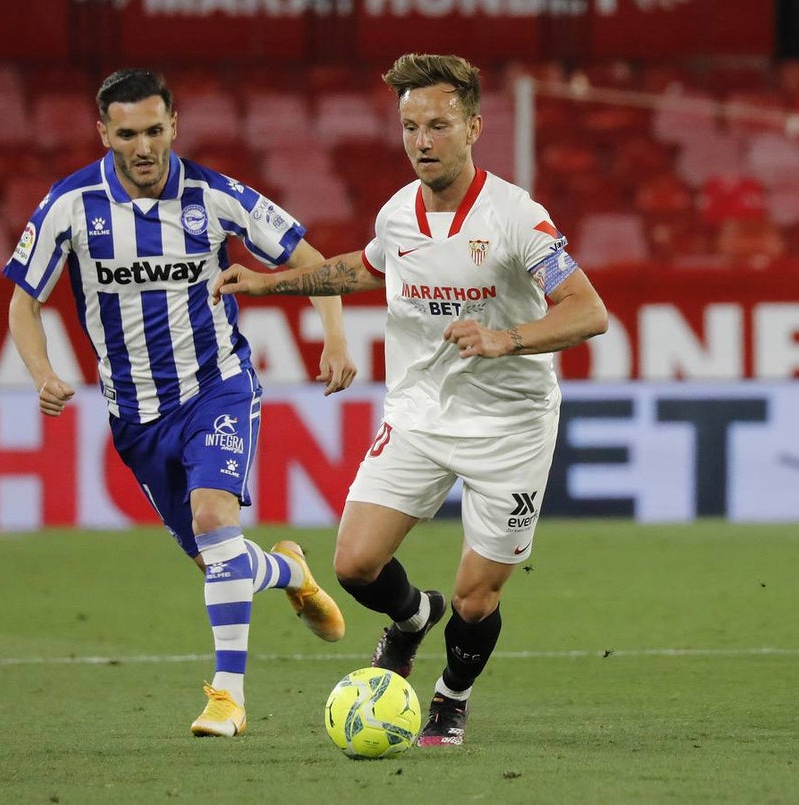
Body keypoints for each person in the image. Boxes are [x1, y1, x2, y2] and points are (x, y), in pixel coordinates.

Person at [212, 53, 608, 747]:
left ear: (473, 128)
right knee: (353, 565)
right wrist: (269, 283)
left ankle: (451, 698)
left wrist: (506, 339)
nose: (422, 141)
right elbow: (365, 269)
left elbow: (589, 311)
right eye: (410, 127)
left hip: (510, 426)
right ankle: (412, 617)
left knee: (476, 598)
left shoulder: (518, 217)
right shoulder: (398, 213)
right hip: (421, 413)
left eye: (438, 125)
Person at [4, 68, 358, 738]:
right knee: (218, 559)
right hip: (136, 418)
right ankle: (289, 570)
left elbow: (311, 260)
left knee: (214, 518)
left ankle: (228, 697)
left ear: (174, 124)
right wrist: (43, 371)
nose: (143, 147)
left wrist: (335, 337)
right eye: (127, 134)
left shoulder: (214, 195)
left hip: (216, 387)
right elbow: (24, 302)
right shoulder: (69, 204)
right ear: (103, 133)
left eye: (154, 130)